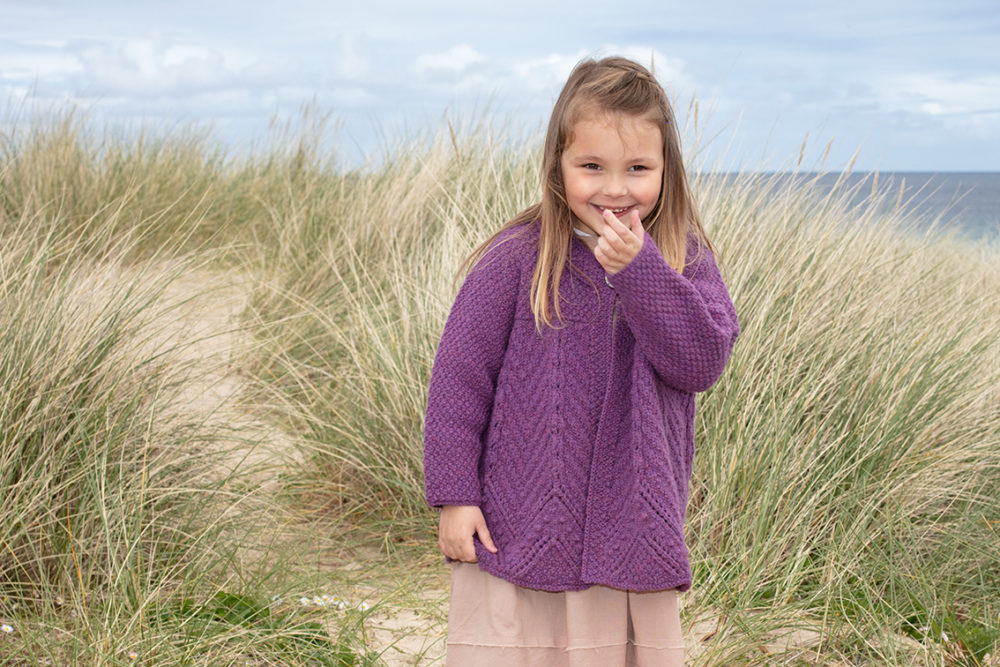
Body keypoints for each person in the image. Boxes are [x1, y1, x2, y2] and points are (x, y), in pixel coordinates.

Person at [423, 55, 740, 667]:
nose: (615, 188)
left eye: (638, 169)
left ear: (665, 172)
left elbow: (701, 363)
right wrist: (455, 496)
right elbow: (459, 381)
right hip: (517, 520)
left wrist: (641, 272)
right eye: (591, 166)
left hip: (634, 525)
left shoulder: (683, 256)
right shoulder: (517, 259)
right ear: (558, 166)